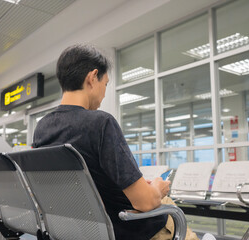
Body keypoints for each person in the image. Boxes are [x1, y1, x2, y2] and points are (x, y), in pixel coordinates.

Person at [32, 44, 199, 240]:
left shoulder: (42, 129)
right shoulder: (101, 123)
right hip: (126, 228)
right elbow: (145, 203)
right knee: (165, 200)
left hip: (77, 231)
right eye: (105, 83)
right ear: (92, 77)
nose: (103, 93)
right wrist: (157, 189)